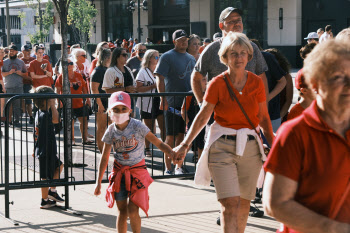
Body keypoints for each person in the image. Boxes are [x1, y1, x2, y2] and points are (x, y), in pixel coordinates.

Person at [174, 32, 274, 233]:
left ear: (249, 56)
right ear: (225, 57)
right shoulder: (217, 83)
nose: (239, 58)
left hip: (251, 147)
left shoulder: (256, 82)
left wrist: (275, 146)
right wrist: (185, 144)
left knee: (244, 204)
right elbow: (203, 116)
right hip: (221, 146)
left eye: (243, 53)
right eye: (234, 53)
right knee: (230, 204)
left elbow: (263, 117)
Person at [263, 39, 350, 233]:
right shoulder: (295, 132)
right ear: (316, 83)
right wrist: (333, 228)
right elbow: (275, 203)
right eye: (338, 77)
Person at [94, 91, 174, 233]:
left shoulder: (138, 126)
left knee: (133, 210)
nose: (120, 112)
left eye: (123, 109)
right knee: (122, 212)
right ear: (109, 111)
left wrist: (171, 153)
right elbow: (105, 156)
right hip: (119, 174)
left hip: (137, 173)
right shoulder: (111, 130)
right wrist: (98, 182)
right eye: (116, 109)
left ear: (130, 110)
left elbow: (157, 142)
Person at [192, 7, 269, 109]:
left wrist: (263, 108)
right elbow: (196, 77)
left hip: (248, 114)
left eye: (239, 20)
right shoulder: (212, 49)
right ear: (221, 25)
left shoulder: (252, 48)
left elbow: (262, 79)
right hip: (218, 116)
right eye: (231, 21)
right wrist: (202, 103)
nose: (237, 24)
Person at [154, 29, 196, 175]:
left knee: (182, 136)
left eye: (186, 39)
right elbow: (159, 77)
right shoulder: (167, 56)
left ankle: (178, 166)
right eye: (181, 39)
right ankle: (168, 167)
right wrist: (163, 98)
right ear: (174, 41)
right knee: (170, 136)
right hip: (172, 103)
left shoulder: (191, 58)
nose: (184, 42)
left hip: (188, 103)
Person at [33, 85, 64, 209]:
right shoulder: (45, 115)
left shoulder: (39, 113)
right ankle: (44, 200)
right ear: (47, 100)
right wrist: (53, 105)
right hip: (46, 150)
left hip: (45, 148)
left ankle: (52, 191)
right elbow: (56, 120)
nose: (54, 100)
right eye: (52, 98)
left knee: (59, 166)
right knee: (44, 176)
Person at [250, 39, 286, 132]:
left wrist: (267, 98)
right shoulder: (238, 60)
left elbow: (283, 81)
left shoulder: (267, 57)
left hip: (271, 113)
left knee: (272, 145)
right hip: (248, 115)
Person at [55, 58, 93, 145]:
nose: (70, 65)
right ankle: (71, 140)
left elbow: (84, 88)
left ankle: (85, 139)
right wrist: (59, 101)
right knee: (69, 122)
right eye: (67, 64)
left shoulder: (78, 75)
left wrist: (87, 99)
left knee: (84, 120)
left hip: (79, 102)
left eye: (71, 63)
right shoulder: (61, 77)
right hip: (67, 103)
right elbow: (57, 90)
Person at [135, 49, 164, 157]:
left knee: (163, 126)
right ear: (149, 58)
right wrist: (153, 86)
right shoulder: (142, 72)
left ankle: (165, 148)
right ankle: (147, 148)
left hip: (159, 100)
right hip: (147, 102)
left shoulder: (159, 70)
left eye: (158, 57)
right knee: (148, 128)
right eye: (155, 57)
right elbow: (138, 88)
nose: (158, 59)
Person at [90, 48, 112, 153]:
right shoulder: (98, 70)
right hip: (101, 102)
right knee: (102, 128)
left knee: (112, 126)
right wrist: (99, 104)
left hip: (110, 102)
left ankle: (108, 149)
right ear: (107, 57)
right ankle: (101, 150)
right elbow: (94, 89)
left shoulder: (110, 69)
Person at [181, 75, 207, 161]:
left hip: (204, 124)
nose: (206, 81)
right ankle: (178, 166)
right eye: (203, 80)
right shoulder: (190, 94)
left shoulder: (209, 93)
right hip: (192, 124)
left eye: (206, 79)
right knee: (188, 143)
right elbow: (183, 111)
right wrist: (188, 122)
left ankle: (199, 167)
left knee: (201, 146)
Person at [264, 48, 293, 123]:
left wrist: (280, 116)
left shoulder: (287, 77)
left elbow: (288, 100)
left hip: (279, 115)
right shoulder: (263, 76)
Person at [2, 44, 28, 126]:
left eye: (13, 51)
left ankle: (16, 121)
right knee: (8, 106)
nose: (11, 52)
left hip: (18, 87)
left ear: (16, 52)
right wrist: (9, 72)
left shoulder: (21, 62)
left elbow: (26, 74)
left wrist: (21, 73)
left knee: (17, 106)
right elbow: (1, 74)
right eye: (10, 51)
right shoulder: (4, 62)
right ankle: (8, 121)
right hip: (8, 87)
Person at [20, 44, 35, 124]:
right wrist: (30, 78)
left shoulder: (33, 59)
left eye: (29, 50)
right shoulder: (20, 61)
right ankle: (30, 116)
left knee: (34, 100)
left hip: (34, 83)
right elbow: (20, 74)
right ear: (23, 51)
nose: (28, 52)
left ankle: (34, 116)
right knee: (28, 101)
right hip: (25, 83)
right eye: (26, 51)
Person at [0, 47, 6, 118]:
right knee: (1, 102)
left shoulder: (1, 61)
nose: (3, 54)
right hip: (0, 84)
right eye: (1, 52)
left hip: (1, 83)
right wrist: (3, 87)